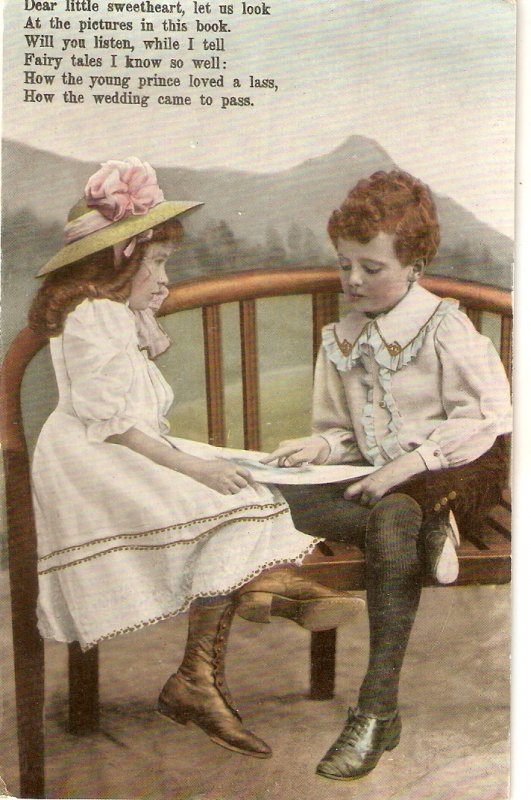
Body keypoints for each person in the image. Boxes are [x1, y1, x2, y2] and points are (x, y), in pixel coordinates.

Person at [29, 157, 365, 760]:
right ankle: (271, 600)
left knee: (246, 488)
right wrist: (193, 467)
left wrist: (141, 318)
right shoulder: (93, 318)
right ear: (118, 262)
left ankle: (210, 663)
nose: (164, 279)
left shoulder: (113, 316)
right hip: (91, 465)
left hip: (120, 451)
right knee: (225, 494)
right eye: (156, 262)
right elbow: (114, 425)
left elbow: (131, 414)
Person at [264, 170, 512, 780]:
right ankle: (424, 529)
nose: (351, 281)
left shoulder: (445, 328)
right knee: (273, 496)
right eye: (345, 265)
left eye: (370, 268)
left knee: (398, 509)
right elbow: (345, 432)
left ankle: (375, 710)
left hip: (454, 477)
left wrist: (409, 464)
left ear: (415, 266)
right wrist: (317, 446)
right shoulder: (342, 337)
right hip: (377, 484)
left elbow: (490, 417)